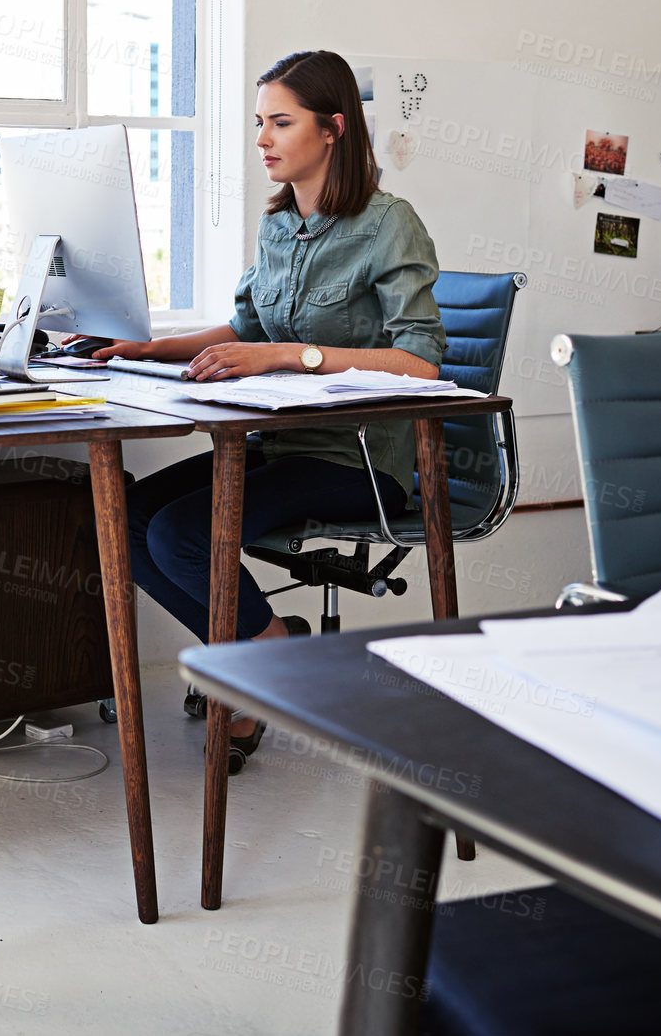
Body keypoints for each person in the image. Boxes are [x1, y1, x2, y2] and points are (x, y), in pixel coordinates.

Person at [94, 49, 445, 774]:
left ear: (333, 128)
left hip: (356, 461)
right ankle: (264, 648)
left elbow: (421, 362)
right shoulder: (279, 225)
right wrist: (153, 346)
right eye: (260, 122)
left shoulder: (388, 224)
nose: (262, 139)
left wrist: (294, 354)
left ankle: (260, 668)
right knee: (123, 518)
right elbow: (247, 329)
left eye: (280, 122)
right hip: (281, 447)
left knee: (182, 534)